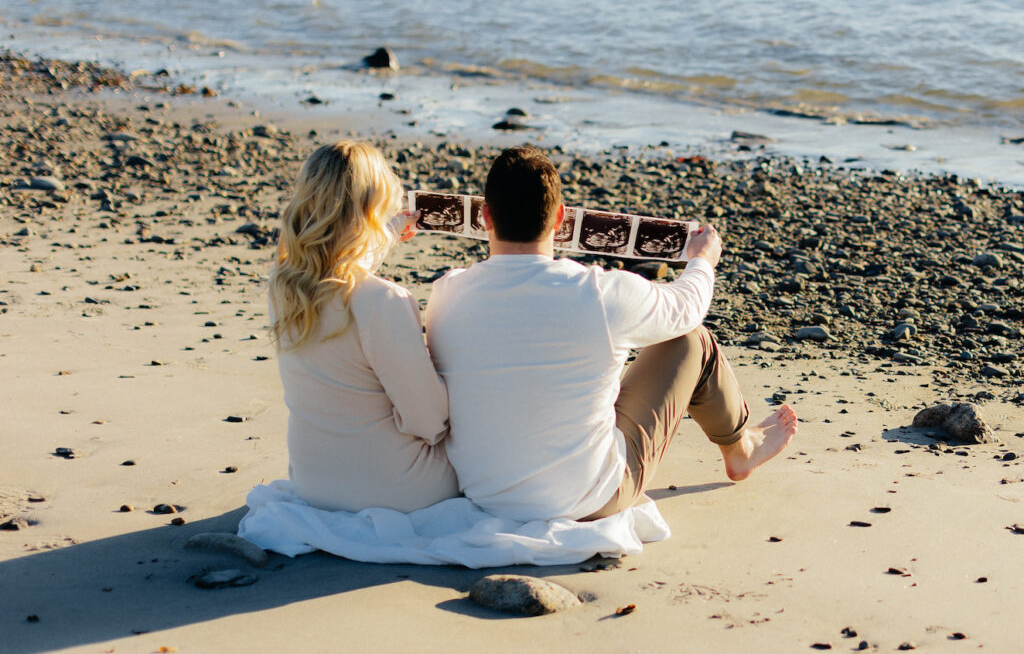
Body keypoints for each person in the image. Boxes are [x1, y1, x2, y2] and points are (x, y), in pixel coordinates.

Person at [424, 146, 797, 523]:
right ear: (559, 219)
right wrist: (702, 260)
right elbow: (687, 308)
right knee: (690, 339)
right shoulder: (598, 292)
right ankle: (739, 449)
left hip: (484, 493)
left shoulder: (447, 293)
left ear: (486, 215)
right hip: (588, 499)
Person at [267, 141, 458, 513]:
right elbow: (430, 423)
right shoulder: (383, 301)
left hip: (313, 483)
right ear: (371, 211)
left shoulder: (283, 287)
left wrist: (385, 232)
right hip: (397, 490)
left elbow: (337, 266)